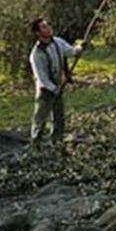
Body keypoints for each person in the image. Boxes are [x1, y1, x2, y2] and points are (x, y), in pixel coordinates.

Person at [29, 17, 83, 146]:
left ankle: (57, 143)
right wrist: (53, 88)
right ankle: (35, 145)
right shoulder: (36, 54)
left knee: (59, 118)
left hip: (58, 87)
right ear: (38, 33)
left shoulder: (58, 42)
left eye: (48, 25)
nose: (48, 28)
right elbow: (41, 77)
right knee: (40, 119)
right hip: (45, 90)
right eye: (44, 27)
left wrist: (80, 48)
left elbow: (71, 52)